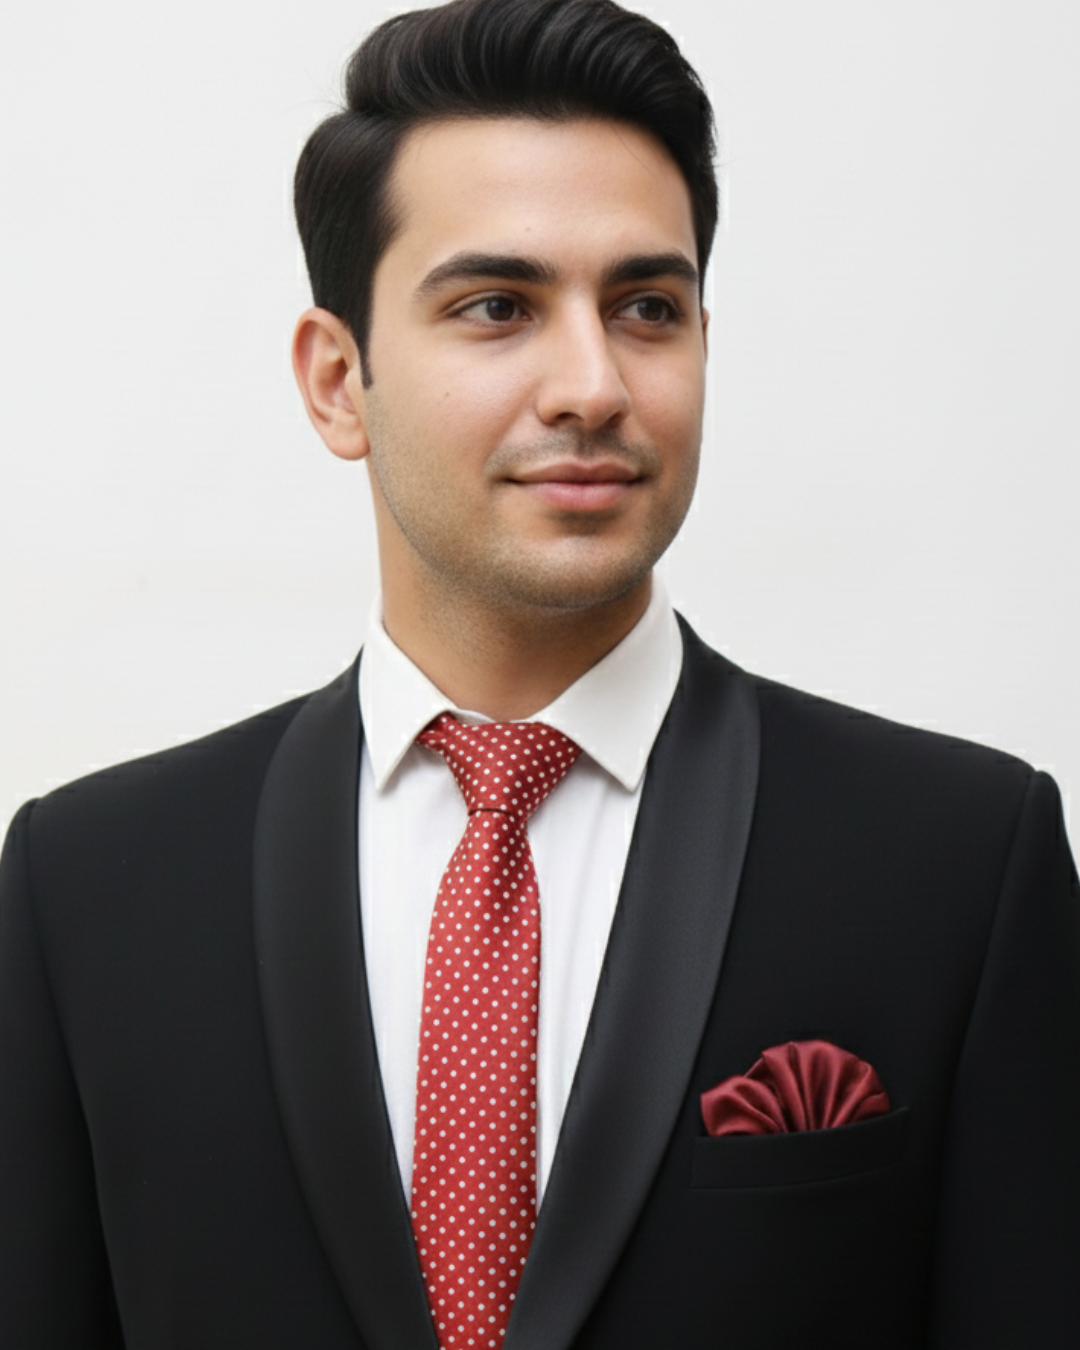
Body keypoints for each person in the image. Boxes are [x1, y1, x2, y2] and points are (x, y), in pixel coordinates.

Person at [0, 0, 1077, 1345]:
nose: (593, 381)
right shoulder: (88, 884)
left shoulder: (962, 863)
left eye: (648, 306)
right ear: (339, 381)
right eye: (498, 305)